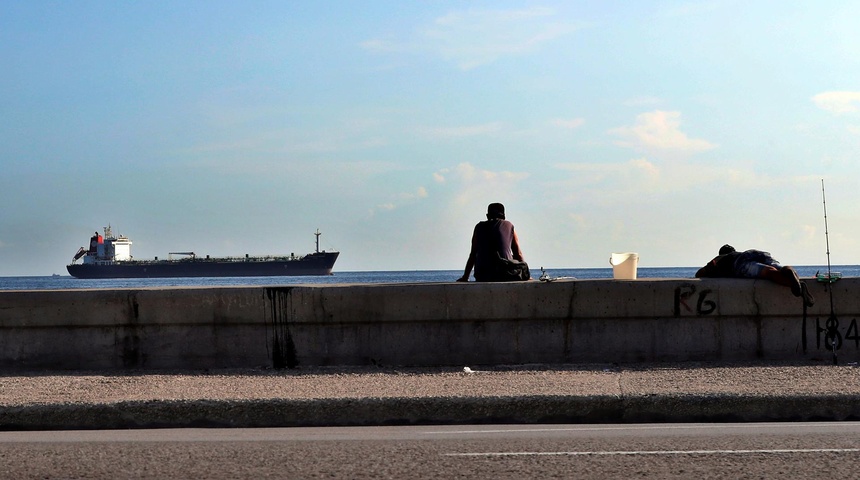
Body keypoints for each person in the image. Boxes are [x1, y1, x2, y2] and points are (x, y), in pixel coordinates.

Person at [696, 244, 814, 307]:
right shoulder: (738, 253)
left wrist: (710, 268)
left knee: (768, 271)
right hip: (754, 253)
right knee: (779, 268)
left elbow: (699, 274)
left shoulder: (721, 258)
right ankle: (789, 271)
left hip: (740, 263)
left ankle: (793, 285)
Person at [457, 203, 527, 282]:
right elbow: (518, 253)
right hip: (505, 274)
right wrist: (526, 274)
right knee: (513, 258)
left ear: (487, 215)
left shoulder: (479, 227)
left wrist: (465, 277)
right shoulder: (509, 226)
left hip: (483, 276)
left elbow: (473, 254)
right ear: (503, 215)